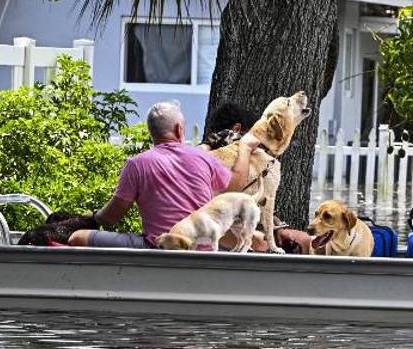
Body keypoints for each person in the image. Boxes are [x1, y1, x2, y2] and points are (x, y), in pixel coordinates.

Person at [69, 101, 259, 248]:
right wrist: (245, 148)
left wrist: (93, 217)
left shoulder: (136, 164)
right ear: (179, 129)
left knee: (77, 237)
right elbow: (235, 185)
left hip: (157, 247)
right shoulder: (203, 158)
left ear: (151, 131)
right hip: (202, 246)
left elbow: (111, 217)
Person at [197, 102, 314, 254]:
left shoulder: (237, 157)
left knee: (303, 239)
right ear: (237, 130)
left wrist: (277, 225)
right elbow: (232, 191)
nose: (257, 145)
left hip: (241, 222)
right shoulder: (213, 158)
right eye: (252, 135)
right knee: (259, 244)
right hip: (218, 228)